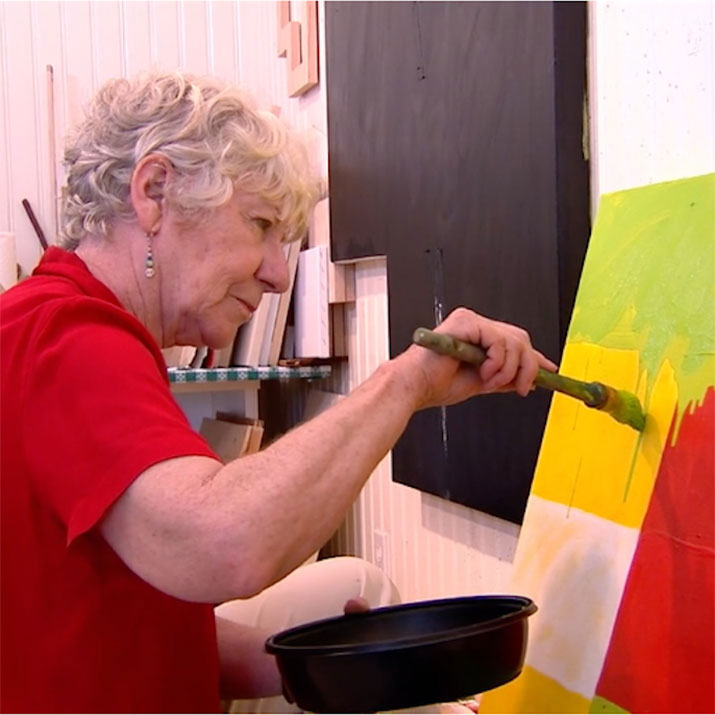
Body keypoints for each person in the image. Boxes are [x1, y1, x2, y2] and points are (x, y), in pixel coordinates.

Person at [0, 70, 557, 713]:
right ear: (154, 192)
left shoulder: (60, 326)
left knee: (354, 585)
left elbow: (134, 621)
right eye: (260, 224)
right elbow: (223, 546)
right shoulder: (66, 336)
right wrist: (405, 381)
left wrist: (305, 668)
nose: (275, 273)